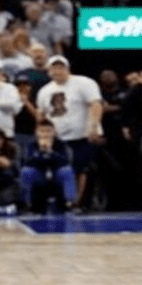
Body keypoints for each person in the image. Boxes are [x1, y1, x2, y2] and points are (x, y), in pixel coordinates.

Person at [34, 55, 104, 212]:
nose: (57, 71)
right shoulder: (44, 91)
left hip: (81, 136)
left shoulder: (84, 83)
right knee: (61, 171)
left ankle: (80, 202)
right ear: (49, 71)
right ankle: (65, 201)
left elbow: (96, 104)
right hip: (58, 138)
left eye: (61, 67)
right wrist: (41, 135)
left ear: (67, 69)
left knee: (81, 169)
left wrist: (93, 126)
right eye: (54, 68)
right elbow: (41, 115)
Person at [20, 120, 75, 212]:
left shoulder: (61, 144)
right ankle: (26, 203)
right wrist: (40, 152)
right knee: (26, 171)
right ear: (36, 132)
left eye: (48, 131)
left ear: (54, 132)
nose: (45, 133)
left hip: (56, 174)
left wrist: (50, 151)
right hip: (39, 175)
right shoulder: (31, 145)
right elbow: (27, 162)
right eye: (42, 130)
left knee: (67, 171)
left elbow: (65, 162)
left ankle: (69, 202)